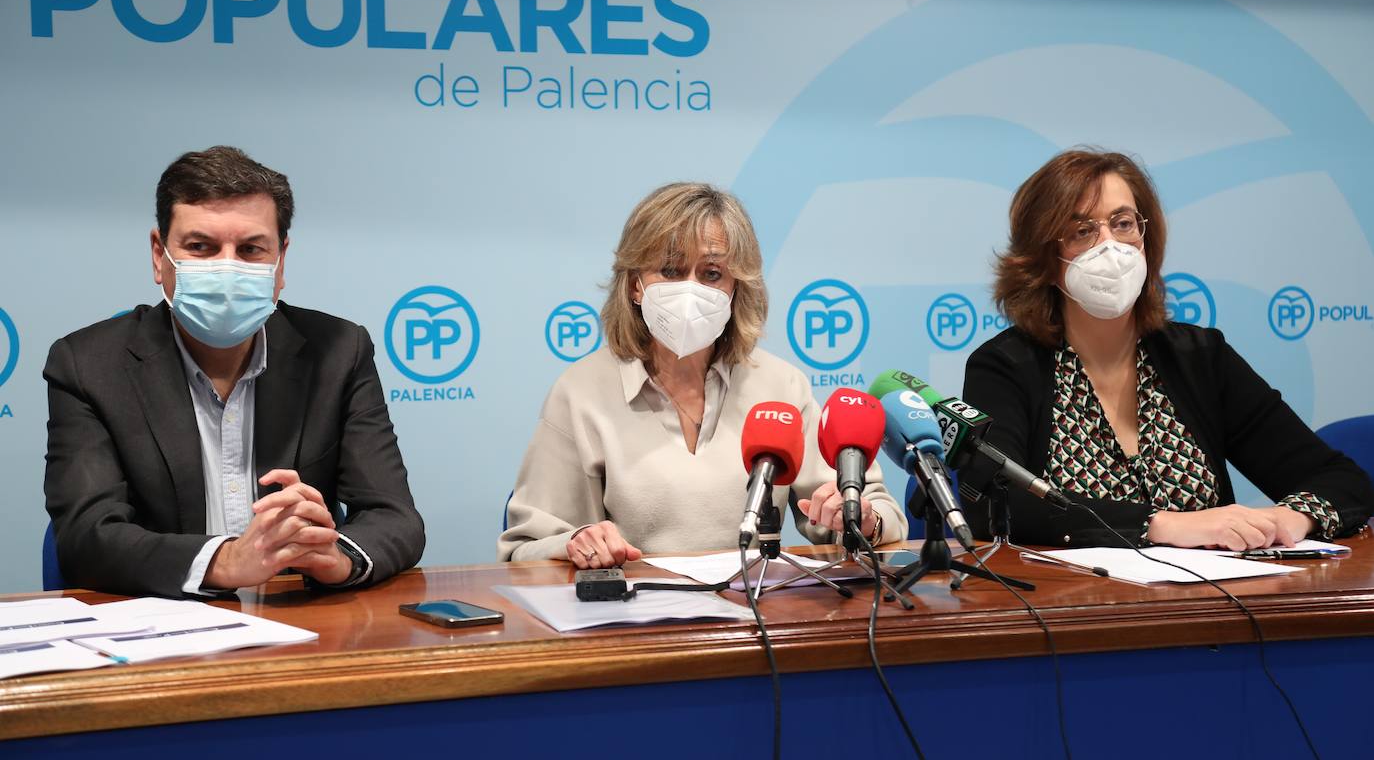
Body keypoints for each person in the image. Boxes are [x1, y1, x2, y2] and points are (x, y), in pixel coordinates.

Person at [44, 146, 425, 597]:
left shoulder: (339, 351)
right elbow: (87, 538)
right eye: (201, 247)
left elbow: (395, 517)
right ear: (158, 255)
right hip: (157, 629)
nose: (226, 268)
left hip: (299, 627)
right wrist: (226, 562)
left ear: (281, 260)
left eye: (250, 249)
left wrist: (336, 557)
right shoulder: (88, 364)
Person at [963, 148, 1374, 550]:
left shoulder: (1198, 356)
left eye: (1123, 223)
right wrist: (1162, 526)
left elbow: (1340, 479)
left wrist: (1290, 518)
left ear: (1146, 238)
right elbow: (997, 502)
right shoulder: (1004, 367)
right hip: (1078, 609)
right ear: (1045, 261)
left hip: (1210, 604)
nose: (1111, 246)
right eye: (1083, 231)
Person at [498, 183, 906, 567]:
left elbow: (883, 515)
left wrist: (861, 518)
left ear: (735, 288)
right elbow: (525, 547)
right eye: (672, 271)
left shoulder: (781, 386)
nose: (691, 291)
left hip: (755, 618)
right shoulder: (580, 392)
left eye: (711, 274)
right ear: (636, 285)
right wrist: (579, 541)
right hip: (635, 625)